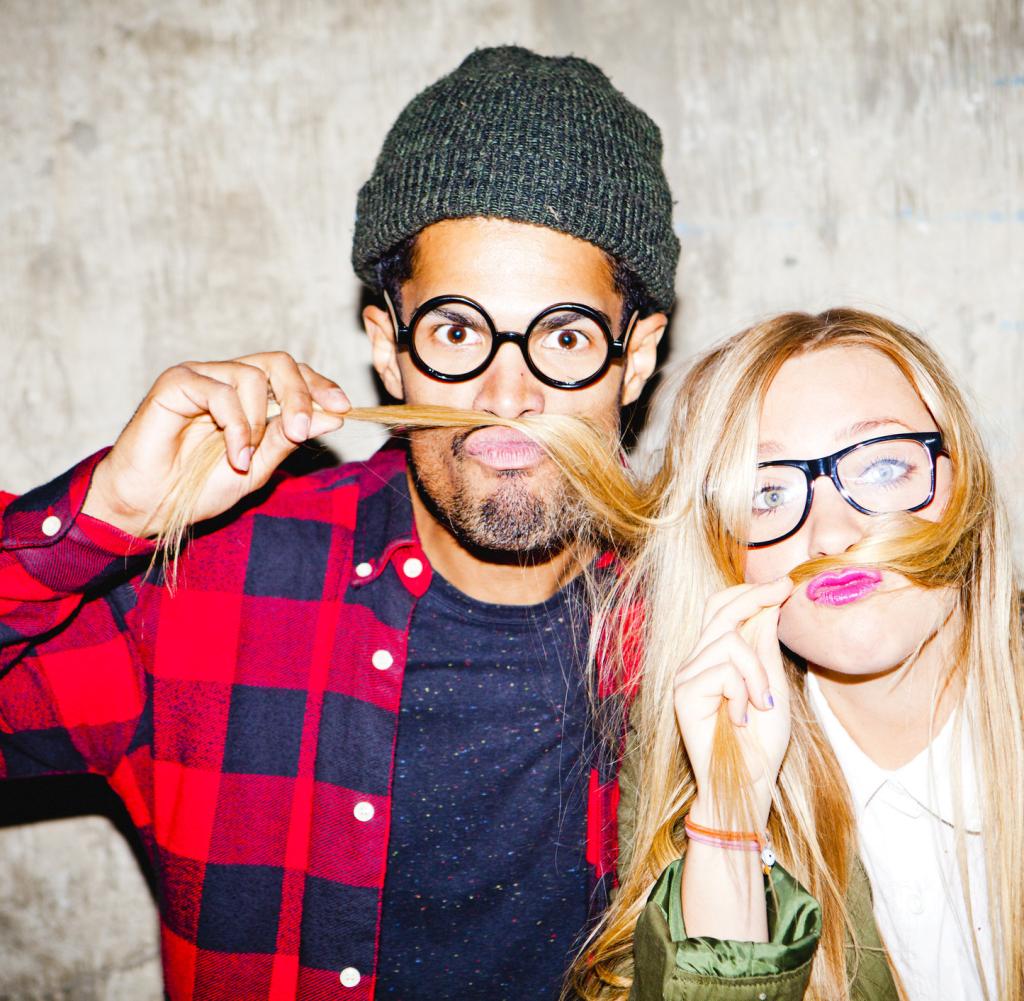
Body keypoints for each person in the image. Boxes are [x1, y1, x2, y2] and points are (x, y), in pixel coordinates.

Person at [0, 47, 676, 1000]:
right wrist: (108, 514)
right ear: (386, 349)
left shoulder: (706, 621)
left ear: (634, 357)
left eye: (565, 337)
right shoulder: (212, 584)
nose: (506, 397)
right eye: (457, 332)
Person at [567, 308, 1023, 1000]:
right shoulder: (692, 751)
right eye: (768, 492)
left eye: (884, 466)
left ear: (960, 482)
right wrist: (730, 818)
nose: (832, 533)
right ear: (724, 551)